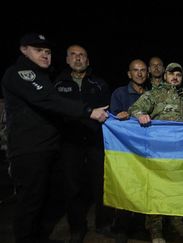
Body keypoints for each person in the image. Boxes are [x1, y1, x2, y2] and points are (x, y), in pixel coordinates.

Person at [1, 33, 108, 243]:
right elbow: (48, 99)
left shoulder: (44, 76)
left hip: (48, 148)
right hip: (30, 149)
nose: (45, 55)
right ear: (23, 50)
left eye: (48, 51)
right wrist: (88, 111)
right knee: (30, 203)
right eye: (38, 50)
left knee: (43, 200)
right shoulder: (21, 74)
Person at [129, 62, 183, 243]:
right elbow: (134, 109)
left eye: (178, 74)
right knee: (156, 191)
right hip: (157, 152)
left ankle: (176, 222)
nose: (175, 77)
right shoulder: (154, 93)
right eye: (171, 73)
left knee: (177, 189)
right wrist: (140, 115)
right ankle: (156, 230)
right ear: (165, 76)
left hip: (180, 153)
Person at [53, 44, 112, 242]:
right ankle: (77, 228)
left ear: (88, 60)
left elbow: (107, 112)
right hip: (70, 142)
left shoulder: (100, 84)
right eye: (73, 55)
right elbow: (55, 112)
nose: (78, 58)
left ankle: (103, 224)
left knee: (101, 184)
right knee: (72, 186)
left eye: (82, 55)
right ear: (67, 59)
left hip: (96, 141)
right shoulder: (56, 84)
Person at [109, 59, 149, 243]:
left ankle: (140, 226)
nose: (139, 73)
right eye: (135, 70)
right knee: (125, 187)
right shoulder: (119, 93)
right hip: (125, 151)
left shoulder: (152, 93)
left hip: (146, 151)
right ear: (129, 74)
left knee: (143, 187)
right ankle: (122, 227)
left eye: (142, 70)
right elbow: (112, 119)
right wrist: (119, 117)